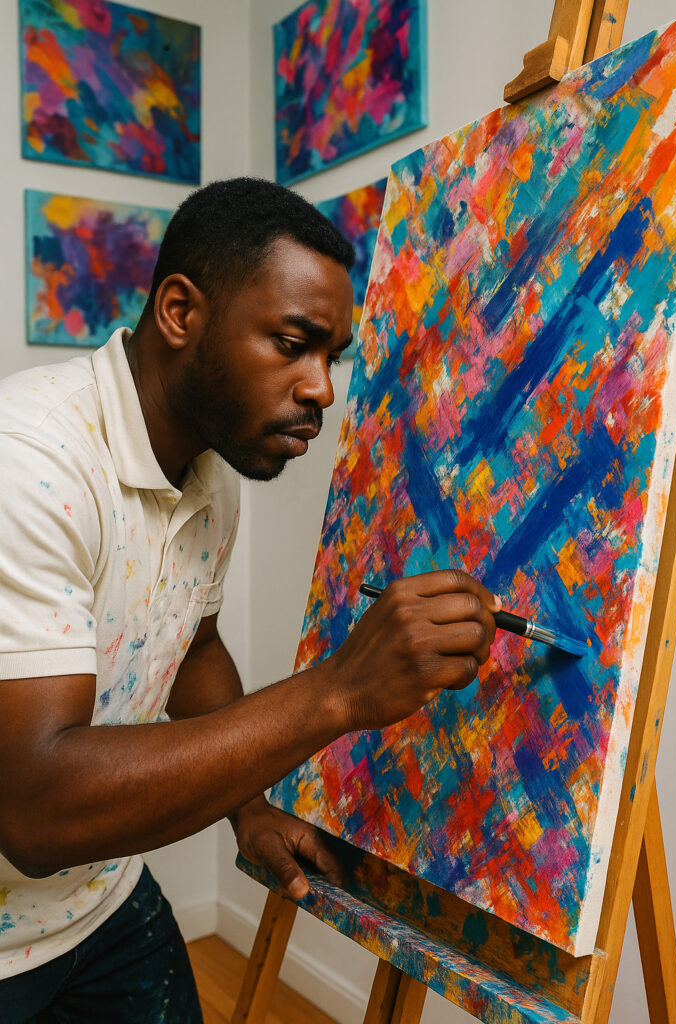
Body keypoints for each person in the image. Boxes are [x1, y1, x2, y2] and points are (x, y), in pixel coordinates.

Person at [0, 178, 499, 1023]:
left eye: (331, 356)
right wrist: (334, 691)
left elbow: (190, 645)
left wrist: (249, 810)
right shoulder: (29, 464)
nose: (322, 390)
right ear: (181, 312)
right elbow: (35, 811)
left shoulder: (209, 473)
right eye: (294, 343)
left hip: (101, 900)